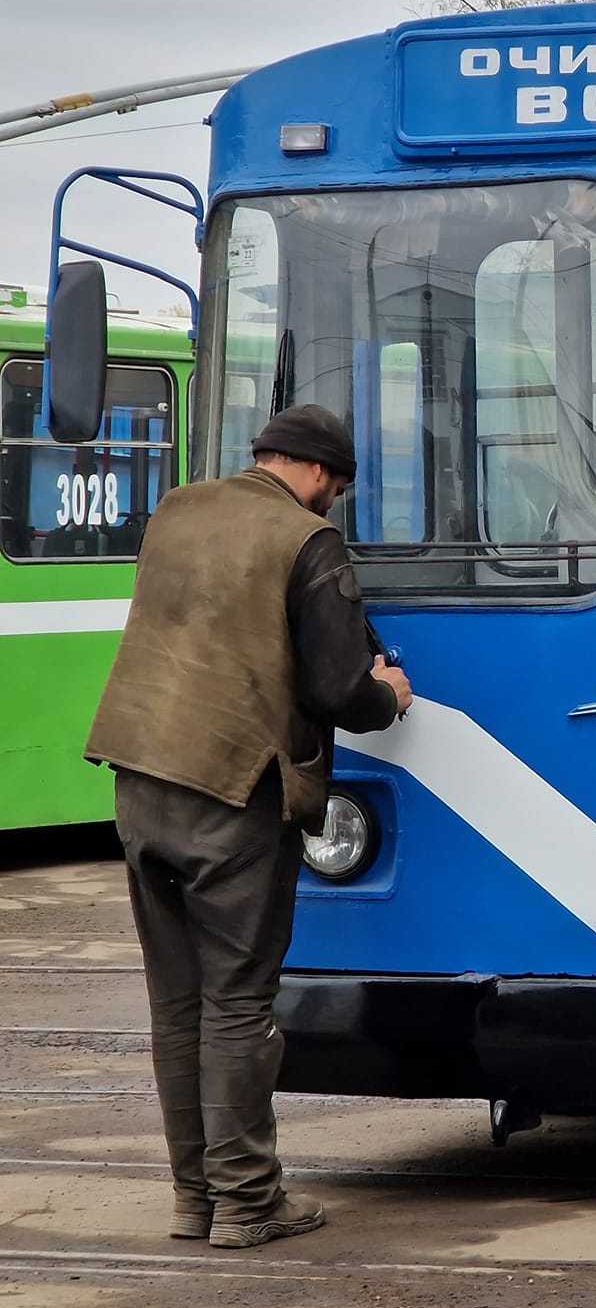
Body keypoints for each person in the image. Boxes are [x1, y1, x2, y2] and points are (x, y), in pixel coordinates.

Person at [85, 404, 412, 1249]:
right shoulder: (306, 541)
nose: (329, 503)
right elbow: (343, 687)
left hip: (139, 777)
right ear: (318, 474)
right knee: (236, 1003)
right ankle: (249, 1202)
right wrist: (391, 696)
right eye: (334, 489)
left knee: (177, 1003)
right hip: (232, 792)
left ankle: (196, 1199)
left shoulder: (179, 511)